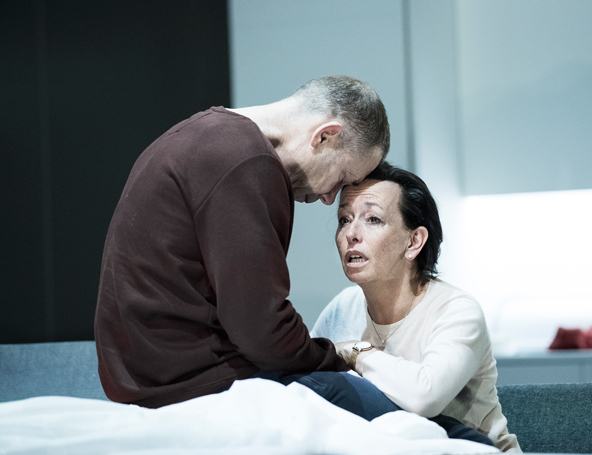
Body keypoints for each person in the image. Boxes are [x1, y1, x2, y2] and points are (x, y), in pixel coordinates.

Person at [94, 75, 389, 409]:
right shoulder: (245, 159)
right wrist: (337, 359)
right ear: (324, 136)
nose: (328, 198)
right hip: (197, 381)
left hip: (146, 376)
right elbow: (264, 334)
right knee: (416, 420)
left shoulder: (200, 133)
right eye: (342, 178)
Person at [311, 162, 522, 452]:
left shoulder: (456, 310)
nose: (352, 234)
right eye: (344, 219)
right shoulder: (342, 308)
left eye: (373, 219)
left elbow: (425, 396)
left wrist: (354, 350)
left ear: (413, 241)